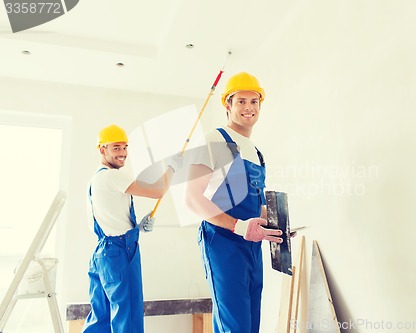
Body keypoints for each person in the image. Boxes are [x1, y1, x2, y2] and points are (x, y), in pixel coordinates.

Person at [186, 72, 283, 333]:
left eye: (254, 101)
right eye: (241, 101)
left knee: (251, 325)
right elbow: (192, 199)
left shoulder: (256, 152)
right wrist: (239, 227)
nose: (248, 108)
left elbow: (255, 206)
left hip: (252, 246)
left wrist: (278, 225)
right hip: (224, 243)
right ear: (227, 105)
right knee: (235, 327)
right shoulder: (213, 139)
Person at [83, 124, 176, 333]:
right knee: (128, 317)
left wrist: (137, 227)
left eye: (125, 147)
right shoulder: (111, 176)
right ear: (102, 150)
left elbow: (110, 218)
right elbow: (158, 190)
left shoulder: (96, 179)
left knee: (101, 317)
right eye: (116, 148)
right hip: (119, 252)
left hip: (103, 253)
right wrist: (172, 168)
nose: (123, 153)